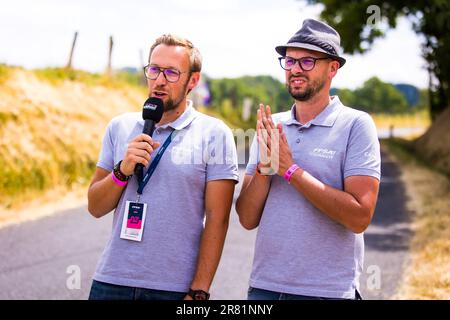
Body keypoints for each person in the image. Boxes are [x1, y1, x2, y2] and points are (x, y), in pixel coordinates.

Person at [236, 19, 381, 300]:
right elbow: (246, 218)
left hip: (327, 292)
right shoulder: (271, 126)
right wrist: (267, 169)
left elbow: (360, 217)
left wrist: (290, 170)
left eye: (307, 61)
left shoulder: (356, 125)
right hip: (264, 289)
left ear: (333, 68)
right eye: (289, 61)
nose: (295, 70)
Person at [87, 34, 239, 300]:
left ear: (193, 80)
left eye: (171, 72)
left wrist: (199, 292)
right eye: (154, 69)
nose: (159, 80)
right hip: (111, 281)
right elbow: (95, 206)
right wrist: (122, 170)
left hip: (173, 289)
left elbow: (218, 219)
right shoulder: (120, 126)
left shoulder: (214, 133)